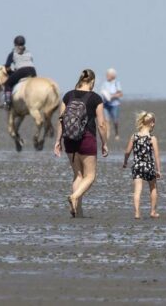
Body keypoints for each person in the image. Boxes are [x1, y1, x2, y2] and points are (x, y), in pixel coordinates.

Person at [54, 69, 108, 218]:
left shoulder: (68, 95)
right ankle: (74, 196)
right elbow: (102, 124)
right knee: (90, 176)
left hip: (69, 139)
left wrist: (57, 141)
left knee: (78, 175)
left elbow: (61, 119)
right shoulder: (95, 98)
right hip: (87, 138)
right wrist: (104, 143)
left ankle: (78, 212)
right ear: (92, 82)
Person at [123, 111, 161, 220]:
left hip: (137, 165)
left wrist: (125, 162)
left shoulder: (134, 136)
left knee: (137, 190)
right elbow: (157, 156)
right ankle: (153, 211)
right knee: (153, 188)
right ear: (152, 123)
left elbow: (127, 151)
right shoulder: (152, 138)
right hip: (148, 166)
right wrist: (158, 170)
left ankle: (137, 213)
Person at [3, 35, 37, 109]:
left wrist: (11, 74)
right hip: (32, 71)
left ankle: (7, 102)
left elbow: (7, 67)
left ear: (15, 44)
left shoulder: (12, 53)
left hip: (21, 71)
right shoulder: (29, 52)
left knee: (7, 84)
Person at [100, 68, 123, 140]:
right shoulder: (104, 83)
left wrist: (112, 96)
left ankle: (117, 133)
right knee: (106, 120)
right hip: (106, 104)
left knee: (115, 120)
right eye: (107, 74)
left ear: (113, 75)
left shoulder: (117, 83)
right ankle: (107, 134)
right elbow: (103, 92)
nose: (107, 76)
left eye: (108, 74)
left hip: (115, 104)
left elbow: (120, 94)